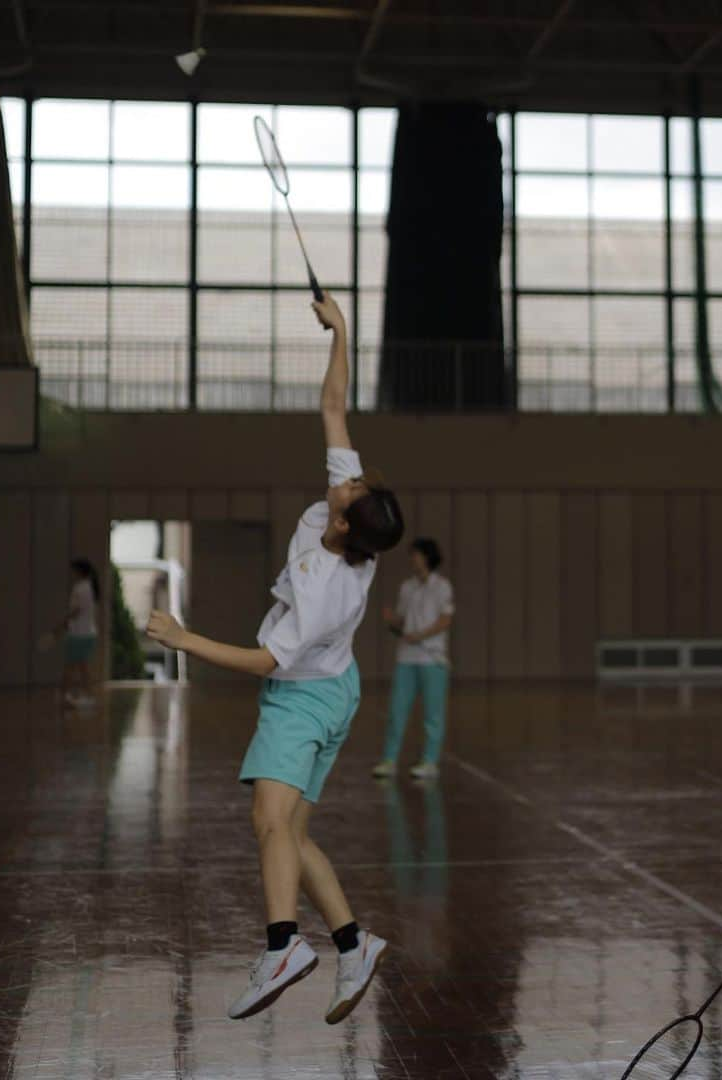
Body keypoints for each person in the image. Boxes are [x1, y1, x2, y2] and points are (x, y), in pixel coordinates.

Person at [146, 294, 404, 1024]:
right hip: (335, 687)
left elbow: (265, 662)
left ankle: (284, 944)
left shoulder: (330, 589)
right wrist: (342, 331)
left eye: (348, 488)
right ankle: (354, 945)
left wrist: (184, 637)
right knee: (291, 832)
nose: (342, 479)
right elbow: (333, 407)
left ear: (349, 521)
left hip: (302, 695)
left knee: (267, 819)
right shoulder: (344, 521)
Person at [372, 538, 455, 780]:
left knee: (433, 714)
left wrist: (420, 635)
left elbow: (445, 620)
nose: (413, 559)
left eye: (416, 554)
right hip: (406, 658)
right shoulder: (406, 587)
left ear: (428, 557)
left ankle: (430, 762)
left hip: (433, 659)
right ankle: (389, 759)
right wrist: (392, 620)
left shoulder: (442, 586)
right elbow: (402, 620)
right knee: (397, 711)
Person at [51, 558, 100, 709]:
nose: (71, 573)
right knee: (80, 667)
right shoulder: (89, 587)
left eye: (73, 570)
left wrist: (61, 624)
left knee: (72, 667)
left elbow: (76, 610)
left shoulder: (80, 588)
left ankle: (66, 696)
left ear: (79, 571)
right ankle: (82, 696)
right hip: (88, 633)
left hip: (79, 634)